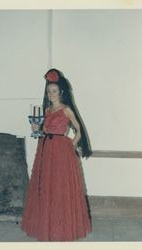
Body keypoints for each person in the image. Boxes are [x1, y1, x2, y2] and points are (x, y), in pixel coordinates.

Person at [20, 68, 92, 241]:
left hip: (61, 152)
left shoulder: (66, 109)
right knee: (46, 187)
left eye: (54, 91)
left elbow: (79, 130)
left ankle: (62, 228)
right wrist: (36, 129)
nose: (51, 94)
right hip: (45, 150)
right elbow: (44, 130)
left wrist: (70, 145)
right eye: (48, 92)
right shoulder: (46, 111)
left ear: (60, 92)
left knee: (59, 188)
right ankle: (47, 226)